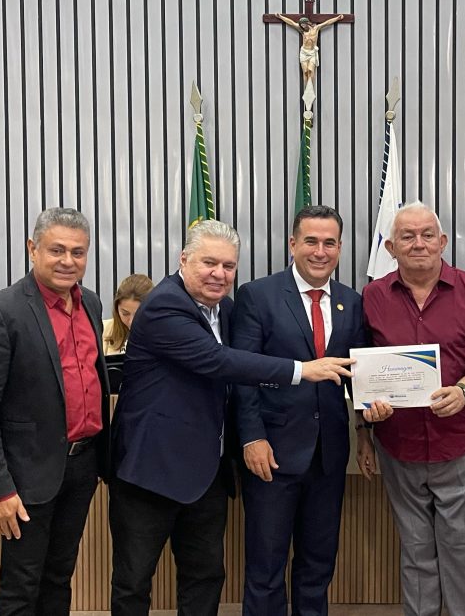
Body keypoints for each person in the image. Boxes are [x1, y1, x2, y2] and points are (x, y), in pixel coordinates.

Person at [108, 219, 354, 616]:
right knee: (134, 582)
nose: (219, 274)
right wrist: (301, 370)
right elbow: (219, 362)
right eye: (209, 263)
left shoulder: (225, 307)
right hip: (151, 470)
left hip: (206, 472)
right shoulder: (164, 304)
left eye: (228, 266)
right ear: (183, 260)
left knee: (205, 578)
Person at [230, 205, 390, 616]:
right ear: (292, 245)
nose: (320, 251)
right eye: (311, 242)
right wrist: (252, 436)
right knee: (266, 566)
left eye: (330, 243)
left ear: (340, 248)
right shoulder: (257, 296)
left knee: (318, 563)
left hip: (328, 455)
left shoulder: (352, 302)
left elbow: (357, 374)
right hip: (273, 452)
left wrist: (369, 424)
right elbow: (242, 374)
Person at [356, 201, 465, 616]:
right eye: (407, 236)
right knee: (415, 548)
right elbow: (360, 367)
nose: (418, 243)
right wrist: (367, 420)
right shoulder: (372, 296)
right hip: (397, 442)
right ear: (390, 246)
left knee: (460, 546)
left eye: (427, 236)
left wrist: (464, 388)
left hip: (458, 442)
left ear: (442, 242)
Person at [0, 207, 112, 615]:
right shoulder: (2, 311)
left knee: (59, 578)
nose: (68, 262)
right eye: (57, 250)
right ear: (32, 249)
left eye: (78, 253)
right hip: (27, 475)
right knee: (20, 588)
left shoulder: (91, 305)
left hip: (82, 467)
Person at [275, 13, 344, 89]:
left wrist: (337, 18)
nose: (303, 26)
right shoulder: (301, 30)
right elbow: (291, 23)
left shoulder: (316, 28)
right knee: (305, 72)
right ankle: (306, 89)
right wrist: (280, 17)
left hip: (312, 53)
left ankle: (311, 87)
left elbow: (327, 22)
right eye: (301, 25)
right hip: (304, 52)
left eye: (304, 24)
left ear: (307, 23)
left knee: (310, 70)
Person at [103, 273, 154, 355]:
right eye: (125, 313)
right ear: (117, 309)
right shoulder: (102, 330)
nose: (131, 321)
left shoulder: (167, 333)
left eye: (139, 315)